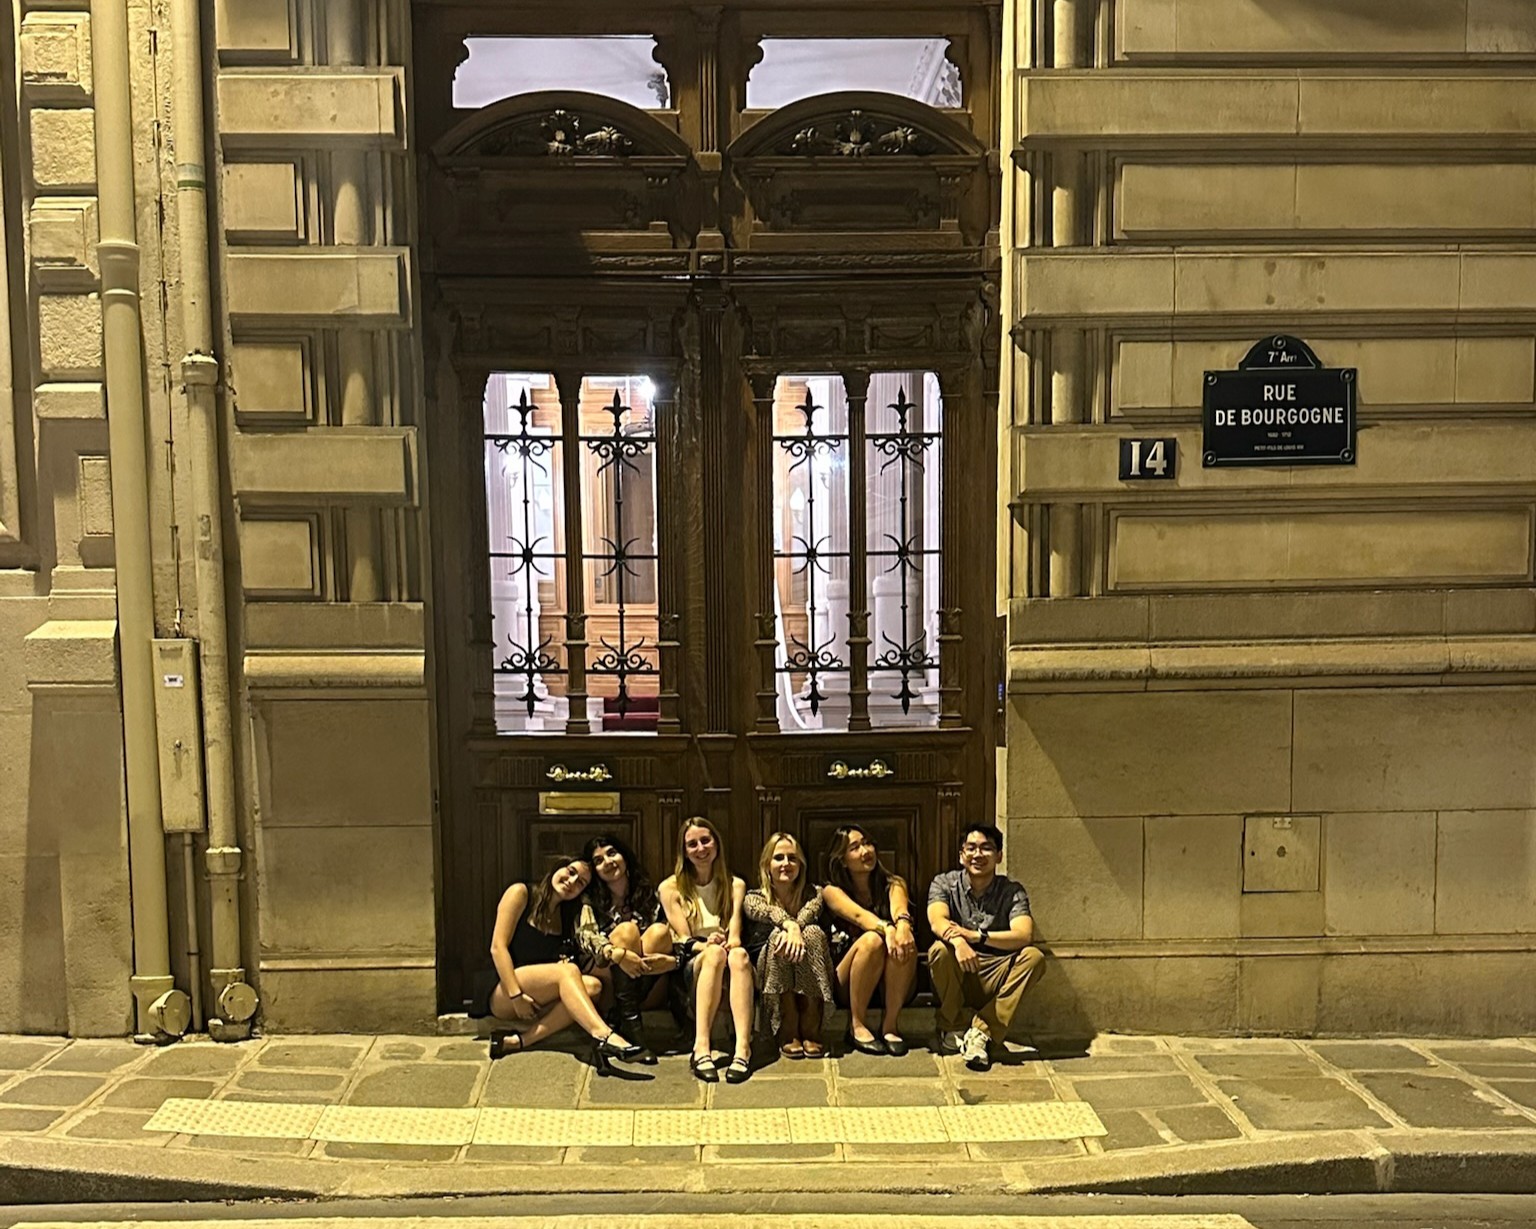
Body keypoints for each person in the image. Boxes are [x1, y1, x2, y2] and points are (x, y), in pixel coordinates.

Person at [481, 855, 648, 1074]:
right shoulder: (521, 893)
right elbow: (497, 948)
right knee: (569, 971)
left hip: (541, 996)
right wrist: (516, 996)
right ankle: (604, 1035)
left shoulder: (568, 913)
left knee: (593, 987)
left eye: (580, 883)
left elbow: (589, 939)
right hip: (506, 990)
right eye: (570, 872)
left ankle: (521, 1041)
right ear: (557, 868)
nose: (572, 882)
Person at [926, 823, 1046, 1072]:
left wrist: (978, 937)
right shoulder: (944, 883)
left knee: (1034, 958)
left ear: (999, 855)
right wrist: (958, 941)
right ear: (961, 855)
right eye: (971, 848)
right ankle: (952, 1024)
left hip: (996, 971)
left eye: (986, 848)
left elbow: (1024, 935)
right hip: (957, 970)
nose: (978, 855)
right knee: (938, 951)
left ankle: (981, 1031)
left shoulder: (1012, 891)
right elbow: (937, 920)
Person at [658, 816, 754, 1084]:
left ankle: (742, 1049)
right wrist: (708, 944)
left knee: (740, 955)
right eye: (692, 844)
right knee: (714, 954)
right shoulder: (670, 888)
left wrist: (728, 942)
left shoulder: (735, 884)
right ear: (684, 851)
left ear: (716, 843)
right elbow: (682, 940)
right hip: (694, 960)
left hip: (727, 951)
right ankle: (702, 1046)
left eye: (705, 840)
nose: (700, 849)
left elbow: (735, 932)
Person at [580, 833, 678, 1065]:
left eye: (612, 853)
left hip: (645, 986)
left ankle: (625, 1020)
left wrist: (673, 961)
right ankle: (634, 1030)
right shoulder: (590, 900)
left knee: (660, 933)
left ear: (625, 856)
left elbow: (674, 939)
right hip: (605, 978)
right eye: (599, 860)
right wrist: (618, 954)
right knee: (627, 932)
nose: (608, 862)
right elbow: (586, 938)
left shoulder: (649, 897)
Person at [820, 825, 918, 1055]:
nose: (866, 851)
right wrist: (887, 929)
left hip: (892, 980)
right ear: (842, 860)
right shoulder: (831, 891)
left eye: (867, 843)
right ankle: (857, 1025)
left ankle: (890, 1025)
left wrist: (902, 927)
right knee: (873, 940)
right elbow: (859, 916)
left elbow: (900, 910)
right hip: (848, 980)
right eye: (855, 847)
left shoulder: (893, 884)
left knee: (904, 938)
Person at [743, 832, 834, 1059]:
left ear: (801, 864)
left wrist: (795, 927)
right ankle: (788, 1019)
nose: (786, 864)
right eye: (779, 858)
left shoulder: (814, 894)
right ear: (767, 864)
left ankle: (811, 1016)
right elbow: (769, 913)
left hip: (811, 963)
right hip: (769, 968)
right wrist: (788, 927)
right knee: (778, 937)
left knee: (812, 932)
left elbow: (810, 913)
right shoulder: (754, 897)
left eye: (792, 858)